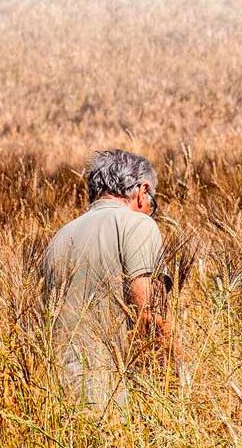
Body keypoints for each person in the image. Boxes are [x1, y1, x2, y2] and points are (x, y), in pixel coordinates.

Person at [43, 149, 175, 411]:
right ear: (142, 190)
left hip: (56, 395)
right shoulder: (138, 224)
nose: (151, 211)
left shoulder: (59, 237)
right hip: (113, 396)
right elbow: (148, 314)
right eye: (153, 203)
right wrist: (174, 379)